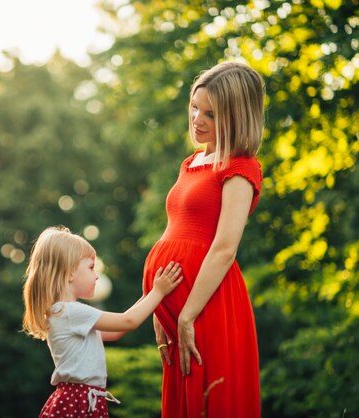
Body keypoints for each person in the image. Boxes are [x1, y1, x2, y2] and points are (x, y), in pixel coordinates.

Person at [142, 61, 265, 417]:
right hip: (174, 306)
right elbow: (174, 230)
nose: (197, 119)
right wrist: (157, 305)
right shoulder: (191, 161)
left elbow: (225, 248)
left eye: (210, 114)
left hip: (206, 304)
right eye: (195, 107)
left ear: (236, 116)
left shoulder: (241, 168)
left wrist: (186, 316)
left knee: (208, 400)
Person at [23, 226, 183, 418]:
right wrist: (158, 292)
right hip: (79, 400)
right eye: (91, 267)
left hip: (82, 398)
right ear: (69, 273)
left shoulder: (64, 313)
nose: (96, 275)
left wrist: (149, 293)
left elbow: (117, 331)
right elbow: (128, 321)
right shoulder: (71, 312)